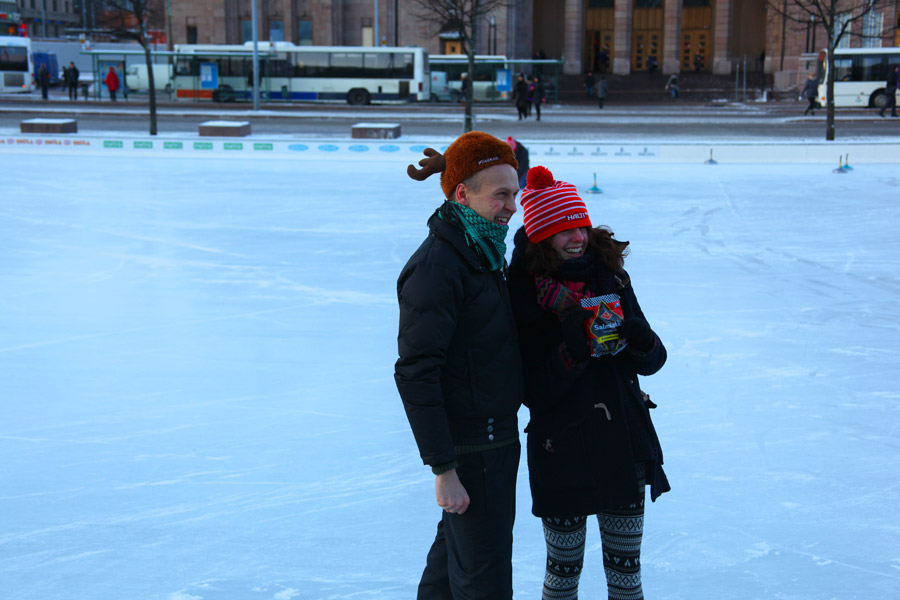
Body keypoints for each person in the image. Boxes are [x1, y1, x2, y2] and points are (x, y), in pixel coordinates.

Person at [508, 165, 670, 600]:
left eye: (580, 225)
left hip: (624, 446)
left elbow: (654, 361)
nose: (577, 237)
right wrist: (571, 352)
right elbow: (532, 393)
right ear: (542, 237)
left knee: (626, 579)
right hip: (561, 453)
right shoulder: (524, 296)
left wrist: (639, 338)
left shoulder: (610, 277)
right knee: (562, 578)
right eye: (563, 230)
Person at [396, 131, 524, 600]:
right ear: (462, 194)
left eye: (516, 193)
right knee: (483, 582)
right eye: (501, 194)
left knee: (451, 573)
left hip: (494, 442)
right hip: (472, 451)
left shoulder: (484, 252)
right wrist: (444, 468)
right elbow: (415, 373)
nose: (512, 205)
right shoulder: (438, 266)